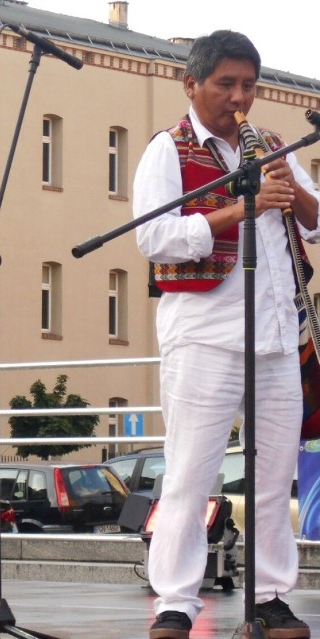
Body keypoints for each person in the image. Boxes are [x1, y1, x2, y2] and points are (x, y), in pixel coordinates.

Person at [133, 30, 318, 639]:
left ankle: (269, 597)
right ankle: (175, 602)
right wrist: (242, 207)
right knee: (190, 472)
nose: (240, 96)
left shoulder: (268, 145)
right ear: (192, 84)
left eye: (248, 85)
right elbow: (154, 238)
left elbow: (315, 223)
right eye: (226, 84)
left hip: (276, 337)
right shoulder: (169, 148)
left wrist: (297, 198)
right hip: (203, 336)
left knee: (273, 475)